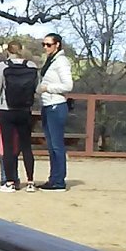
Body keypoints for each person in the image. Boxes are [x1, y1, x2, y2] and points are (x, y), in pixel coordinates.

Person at [0, 41, 38, 192]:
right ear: (21, 51)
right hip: (25, 109)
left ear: (7, 51)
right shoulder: (31, 66)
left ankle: (10, 182)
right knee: (26, 146)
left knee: (9, 147)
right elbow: (36, 89)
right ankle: (30, 182)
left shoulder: (3, 66)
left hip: (7, 109)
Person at [38, 32, 73, 191]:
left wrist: (48, 88)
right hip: (47, 105)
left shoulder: (62, 62)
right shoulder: (51, 61)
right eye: (43, 44)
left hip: (56, 106)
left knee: (57, 145)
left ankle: (59, 181)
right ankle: (53, 178)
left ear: (57, 44)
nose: (45, 47)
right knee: (51, 145)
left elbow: (68, 85)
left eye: (49, 44)